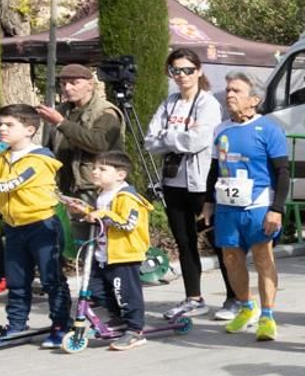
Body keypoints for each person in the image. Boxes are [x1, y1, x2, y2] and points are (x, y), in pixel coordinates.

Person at [200, 73, 290, 343]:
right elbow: (215, 169)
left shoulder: (270, 129)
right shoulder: (221, 129)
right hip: (227, 206)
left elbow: (283, 172)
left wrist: (277, 208)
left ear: (254, 99)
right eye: (227, 90)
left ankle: (267, 315)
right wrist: (207, 203)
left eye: (236, 90)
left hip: (259, 205)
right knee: (230, 259)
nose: (229, 95)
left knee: (263, 258)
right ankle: (246, 306)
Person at [145, 49, 226, 320]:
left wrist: (168, 137)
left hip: (201, 183)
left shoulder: (208, 103)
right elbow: (150, 141)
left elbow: (199, 140)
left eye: (188, 70)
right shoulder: (169, 103)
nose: (182, 76)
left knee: (218, 241)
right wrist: (177, 136)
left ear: (199, 71)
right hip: (173, 182)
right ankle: (194, 297)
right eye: (176, 71)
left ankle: (235, 297)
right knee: (184, 242)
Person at [0, 104, 70, 347]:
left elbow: (10, 184)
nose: (2, 129)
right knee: (16, 279)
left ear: (29, 130)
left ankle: (60, 325)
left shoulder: (40, 160)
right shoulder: (0, 158)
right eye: (0, 124)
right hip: (14, 227)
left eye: (9, 125)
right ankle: (16, 324)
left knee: (51, 279)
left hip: (42, 226)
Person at [65, 151, 153, 351]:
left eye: (102, 169)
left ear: (120, 174)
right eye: (95, 168)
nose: (95, 172)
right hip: (103, 254)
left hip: (123, 255)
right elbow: (101, 219)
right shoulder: (102, 194)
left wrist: (101, 214)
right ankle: (120, 318)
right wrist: (84, 211)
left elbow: (127, 223)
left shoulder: (128, 197)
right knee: (95, 289)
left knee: (127, 295)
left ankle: (135, 330)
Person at [37, 64, 124, 197]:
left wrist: (61, 123)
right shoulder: (61, 111)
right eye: (63, 84)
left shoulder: (106, 112)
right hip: (62, 184)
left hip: (93, 186)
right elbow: (51, 146)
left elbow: (99, 144)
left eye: (74, 83)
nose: (67, 88)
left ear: (90, 84)